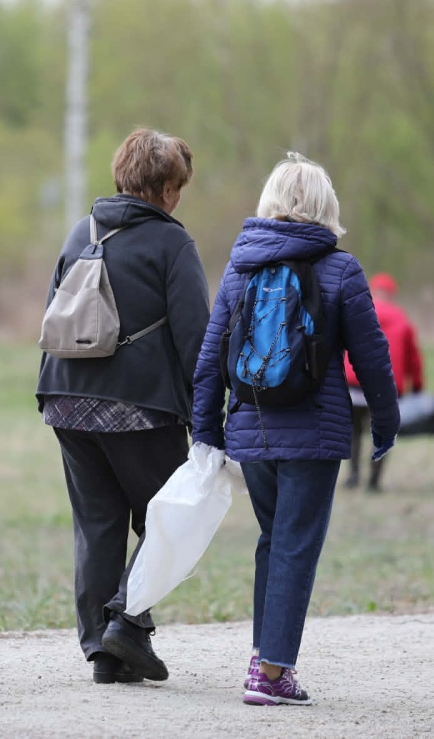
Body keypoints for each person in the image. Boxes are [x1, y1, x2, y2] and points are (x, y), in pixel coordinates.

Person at [190, 152, 400, 706]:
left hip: (251, 432)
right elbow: (372, 356)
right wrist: (386, 421)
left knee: (273, 540)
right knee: (295, 546)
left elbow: (211, 358)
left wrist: (206, 430)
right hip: (315, 432)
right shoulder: (341, 270)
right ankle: (272, 674)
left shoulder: (241, 267)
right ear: (325, 207)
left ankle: (265, 656)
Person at [36, 128, 210, 685]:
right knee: (169, 520)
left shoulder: (79, 232)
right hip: (140, 408)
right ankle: (126, 626)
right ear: (161, 187)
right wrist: (209, 414)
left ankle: (102, 651)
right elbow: (195, 339)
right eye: (177, 187)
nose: (179, 197)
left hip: (66, 401)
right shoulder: (172, 244)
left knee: (97, 524)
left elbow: (53, 316)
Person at [343, 272, 423, 491]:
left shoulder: (355, 311)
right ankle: (374, 481)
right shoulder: (401, 318)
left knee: (354, 432)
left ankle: (353, 475)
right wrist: (417, 385)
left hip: (353, 383)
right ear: (391, 294)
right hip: (384, 386)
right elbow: (413, 357)